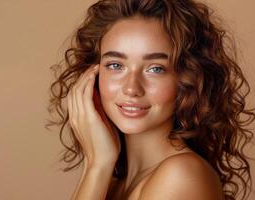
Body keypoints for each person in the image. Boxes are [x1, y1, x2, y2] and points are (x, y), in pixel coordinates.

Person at [46, 0, 255, 199]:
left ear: (187, 79)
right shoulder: (115, 180)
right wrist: (97, 165)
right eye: (116, 65)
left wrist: (97, 165)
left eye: (156, 69)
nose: (131, 88)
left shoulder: (181, 176)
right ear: (92, 74)